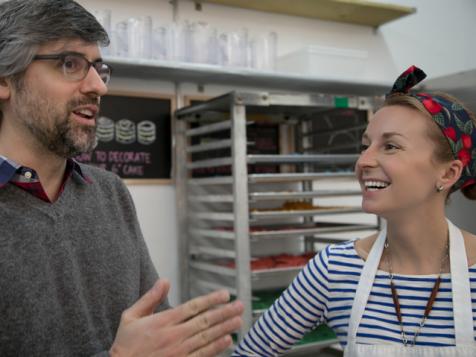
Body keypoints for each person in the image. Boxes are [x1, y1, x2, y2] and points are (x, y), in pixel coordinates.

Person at [0, 0, 243, 356]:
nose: (99, 86)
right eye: (70, 64)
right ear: (5, 80)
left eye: (99, 69)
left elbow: (149, 319)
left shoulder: (109, 191)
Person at [233, 65, 476, 356]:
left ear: (448, 174)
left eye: (390, 146)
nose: (363, 161)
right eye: (365, 146)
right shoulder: (334, 269)